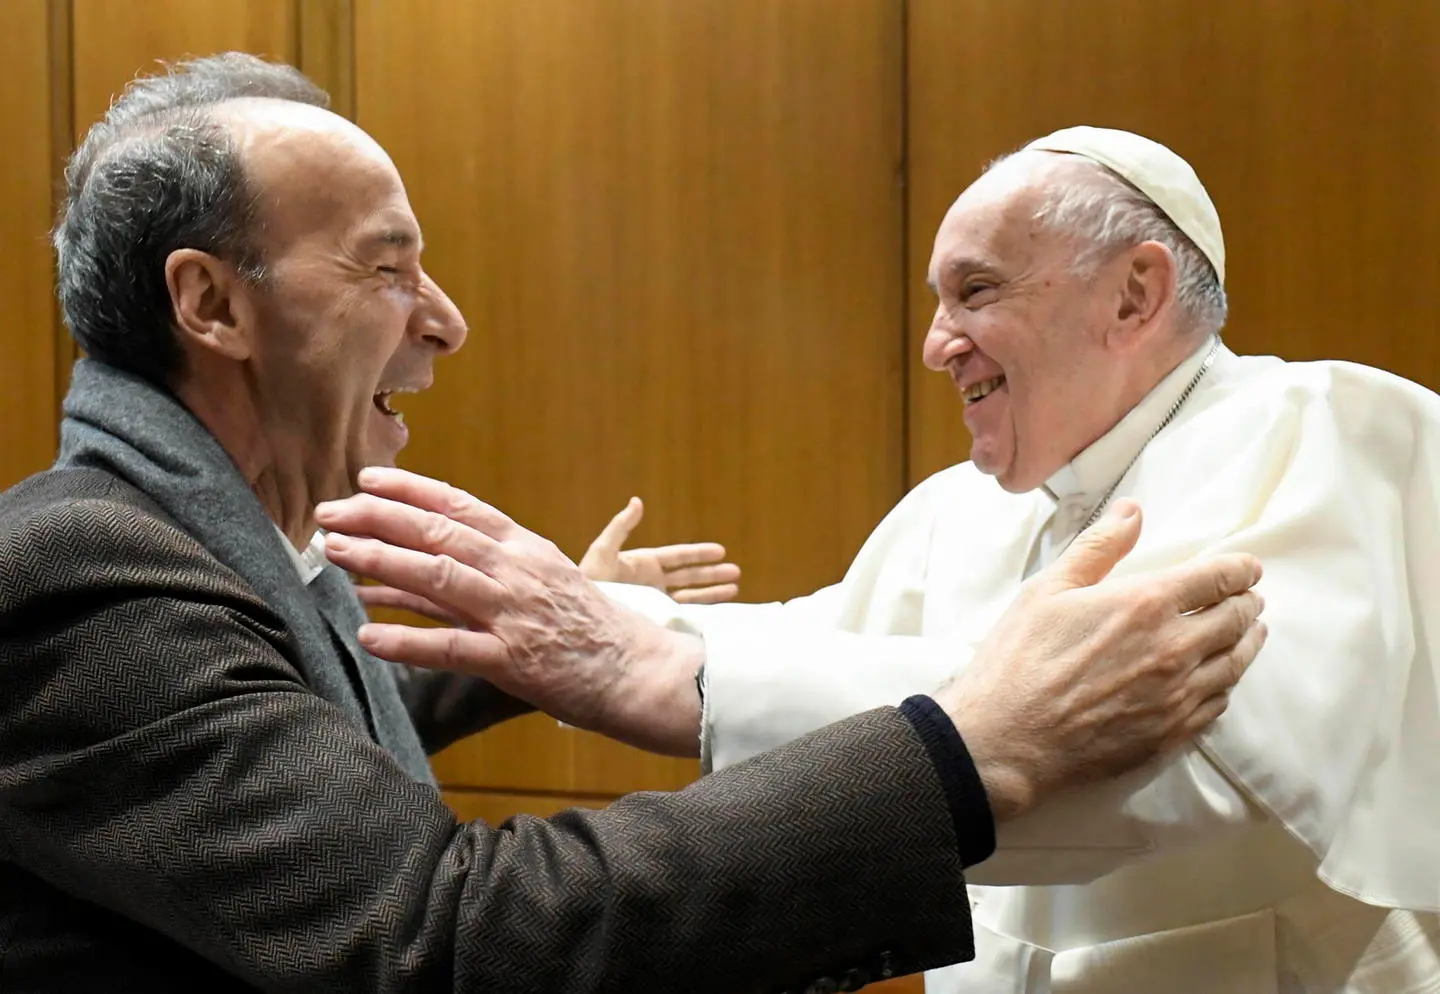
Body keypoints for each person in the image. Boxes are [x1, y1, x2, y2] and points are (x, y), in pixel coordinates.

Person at [0, 55, 1266, 993]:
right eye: (387, 270)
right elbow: (444, 934)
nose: (443, 320)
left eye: (978, 292)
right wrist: (965, 749)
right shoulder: (85, 573)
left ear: (1138, 294)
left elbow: (254, 716)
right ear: (212, 305)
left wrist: (545, 641)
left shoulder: (184, 534)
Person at [345, 126, 1439, 991]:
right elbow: (829, 644)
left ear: (1135, 293)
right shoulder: (960, 506)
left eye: (976, 290)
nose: (934, 343)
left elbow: (1209, 757)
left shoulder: (1317, 430)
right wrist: (602, 623)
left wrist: (651, 670)